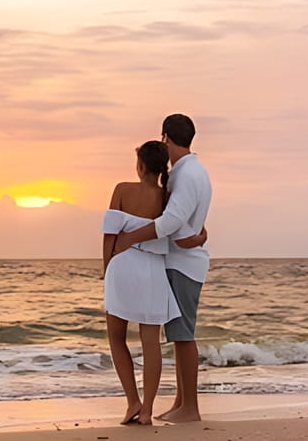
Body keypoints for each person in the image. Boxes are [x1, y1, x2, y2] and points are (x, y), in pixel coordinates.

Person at [114, 113, 212, 423]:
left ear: (166, 138)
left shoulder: (187, 175)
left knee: (183, 336)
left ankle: (191, 407)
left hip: (182, 266)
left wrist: (130, 238)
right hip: (181, 261)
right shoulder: (191, 171)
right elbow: (187, 216)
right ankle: (182, 402)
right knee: (178, 334)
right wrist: (201, 234)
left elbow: (171, 221)